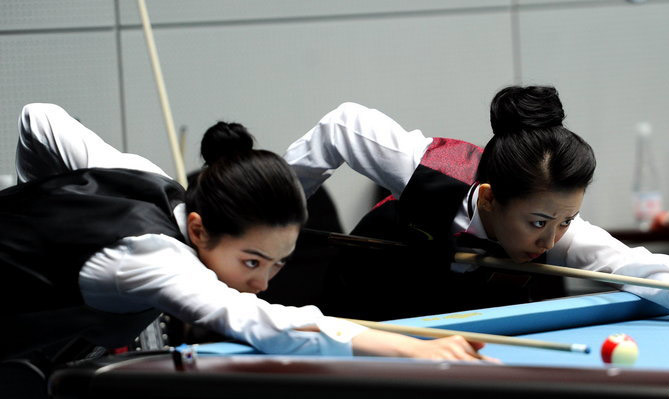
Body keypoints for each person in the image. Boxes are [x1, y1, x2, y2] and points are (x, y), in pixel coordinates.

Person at [0, 103, 493, 363]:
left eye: (278, 264)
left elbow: (39, 119)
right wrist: (411, 347)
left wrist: (42, 200)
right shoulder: (160, 260)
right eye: (252, 262)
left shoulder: (145, 176)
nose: (261, 283)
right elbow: (269, 324)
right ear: (198, 229)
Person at [283, 85, 669, 330]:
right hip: (360, 307)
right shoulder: (432, 167)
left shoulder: (558, 230)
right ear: (489, 197)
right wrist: (274, 213)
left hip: (449, 331)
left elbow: (629, 263)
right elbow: (343, 124)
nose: (552, 239)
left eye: (565, 221)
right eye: (538, 223)